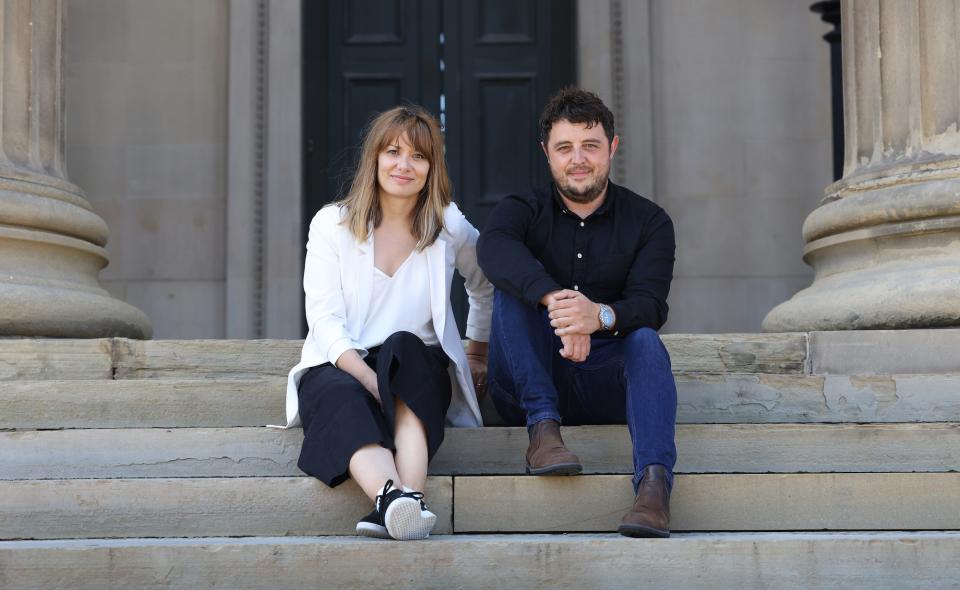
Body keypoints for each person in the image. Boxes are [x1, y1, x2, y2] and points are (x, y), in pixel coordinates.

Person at [284, 105, 492, 541]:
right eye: (393, 152)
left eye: (418, 156)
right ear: (374, 158)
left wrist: (478, 349)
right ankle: (395, 499)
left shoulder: (448, 225)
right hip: (341, 362)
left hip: (413, 365)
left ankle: (407, 500)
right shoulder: (332, 224)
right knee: (338, 392)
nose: (404, 165)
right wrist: (365, 375)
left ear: (432, 167)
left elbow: (485, 284)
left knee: (406, 353)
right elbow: (322, 315)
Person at [476, 87, 678, 538]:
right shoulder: (521, 210)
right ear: (547, 153)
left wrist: (599, 317)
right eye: (565, 148)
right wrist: (558, 301)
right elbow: (493, 250)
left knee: (646, 341)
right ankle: (543, 433)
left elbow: (650, 305)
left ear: (612, 147)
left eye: (590, 145)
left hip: (602, 379)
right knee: (515, 290)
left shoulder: (649, 222)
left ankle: (654, 489)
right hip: (527, 380)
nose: (578, 159)